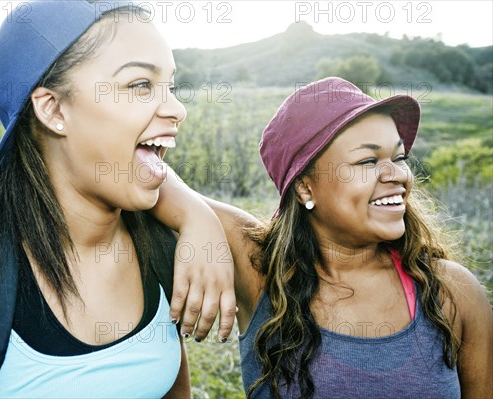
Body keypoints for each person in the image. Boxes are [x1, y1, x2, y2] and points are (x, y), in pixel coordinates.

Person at [0, 1, 237, 398]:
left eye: (171, 87)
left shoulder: (166, 248)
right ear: (53, 109)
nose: (178, 110)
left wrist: (200, 218)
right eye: (140, 85)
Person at [157, 77, 492, 398]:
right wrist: (196, 218)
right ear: (305, 187)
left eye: (399, 156)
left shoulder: (451, 292)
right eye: (368, 160)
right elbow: (146, 173)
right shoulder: (262, 271)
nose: (398, 174)